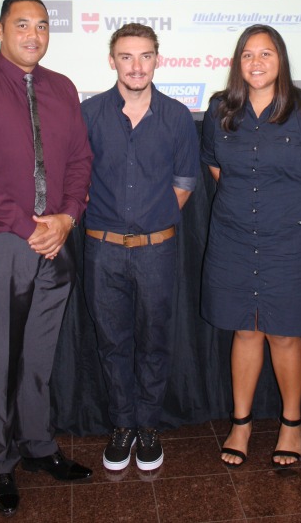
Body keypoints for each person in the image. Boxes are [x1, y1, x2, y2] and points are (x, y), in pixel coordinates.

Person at [0, 0, 93, 517]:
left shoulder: (63, 89)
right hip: (0, 241)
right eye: (22, 24)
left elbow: (79, 160)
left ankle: (38, 446)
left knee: (39, 353)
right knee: (0, 356)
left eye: (42, 26)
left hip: (55, 241)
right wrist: (27, 225)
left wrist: (68, 218)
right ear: (0, 29)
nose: (34, 34)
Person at [201, 24, 301, 468]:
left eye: (266, 54)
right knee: (244, 329)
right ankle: (240, 424)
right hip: (234, 237)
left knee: (284, 334)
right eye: (247, 54)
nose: (256, 62)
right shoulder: (220, 110)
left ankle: (291, 424)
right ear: (237, 62)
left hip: (291, 242)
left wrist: (290, 211)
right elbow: (214, 165)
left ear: (280, 59)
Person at [81, 23, 199, 472]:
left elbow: (186, 180)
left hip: (157, 250)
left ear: (157, 59)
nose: (136, 65)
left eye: (145, 56)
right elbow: (76, 176)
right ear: (112, 61)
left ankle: (148, 426)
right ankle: (123, 425)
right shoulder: (88, 113)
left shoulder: (175, 116)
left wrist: (154, 217)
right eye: (126, 57)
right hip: (102, 249)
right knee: (112, 342)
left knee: (154, 341)